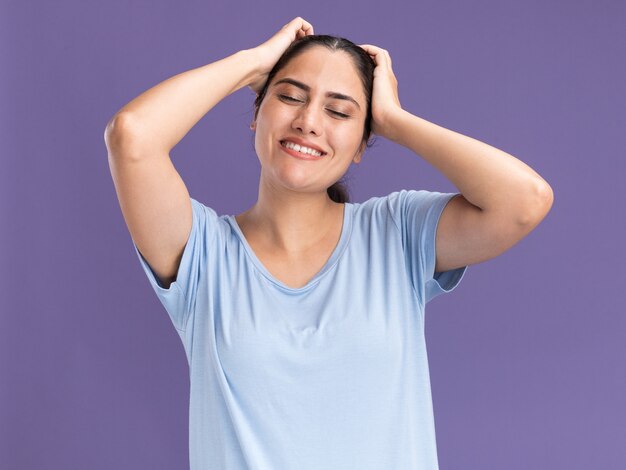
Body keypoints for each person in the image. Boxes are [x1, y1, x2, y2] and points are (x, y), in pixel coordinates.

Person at [105, 17, 553, 470]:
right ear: (256, 113)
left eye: (339, 112)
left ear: (361, 143)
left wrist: (395, 121)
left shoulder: (396, 232)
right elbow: (132, 136)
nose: (308, 121)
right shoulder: (202, 254)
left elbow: (524, 201)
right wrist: (250, 64)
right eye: (290, 96)